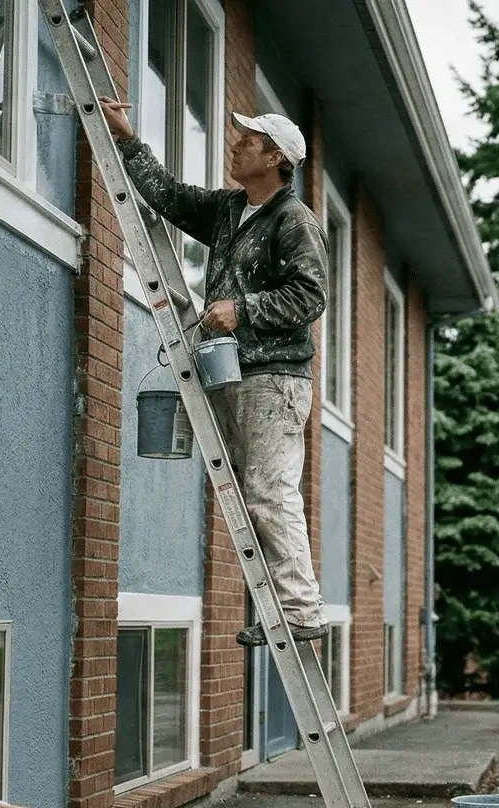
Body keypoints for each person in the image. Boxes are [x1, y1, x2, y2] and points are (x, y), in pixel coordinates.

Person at [97, 96, 328, 647]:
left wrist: (241, 309)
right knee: (253, 493)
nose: (234, 144)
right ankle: (284, 607)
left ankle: (302, 611)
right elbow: (172, 199)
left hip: (275, 379)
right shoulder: (231, 210)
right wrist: (128, 140)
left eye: (247, 140)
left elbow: (311, 295)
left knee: (270, 493)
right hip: (233, 373)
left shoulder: (294, 221)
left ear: (275, 159)